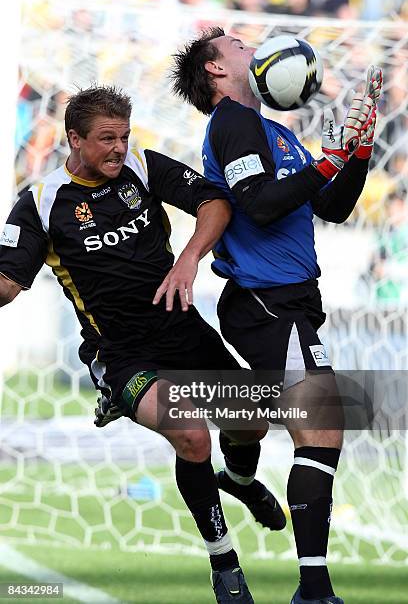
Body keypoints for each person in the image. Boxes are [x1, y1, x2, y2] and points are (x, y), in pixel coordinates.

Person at [0, 85, 286, 604]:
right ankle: (225, 564)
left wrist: (189, 259)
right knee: (192, 435)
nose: (117, 147)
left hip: (182, 330)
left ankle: (240, 479)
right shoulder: (41, 205)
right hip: (121, 354)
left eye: (123, 135)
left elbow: (214, 202)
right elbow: (5, 286)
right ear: (74, 139)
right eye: (106, 138)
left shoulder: (142, 167)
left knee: (252, 419)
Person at [170, 28, 382, 604]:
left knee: (317, 430)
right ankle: (313, 590)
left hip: (292, 302)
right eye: (237, 43)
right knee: (320, 428)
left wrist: (357, 154)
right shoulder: (232, 124)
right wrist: (332, 160)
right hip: (267, 301)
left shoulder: (274, 132)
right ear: (216, 71)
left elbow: (332, 207)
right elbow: (260, 208)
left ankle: (241, 478)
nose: (251, 45)